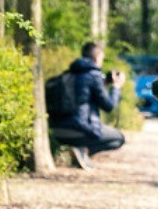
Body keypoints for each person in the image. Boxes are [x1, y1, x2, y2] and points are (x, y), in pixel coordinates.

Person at [50, 41, 127, 170]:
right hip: (80, 130)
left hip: (58, 130)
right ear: (96, 57)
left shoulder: (69, 74)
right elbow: (109, 106)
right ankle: (83, 150)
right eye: (102, 58)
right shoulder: (94, 76)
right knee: (119, 138)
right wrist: (116, 87)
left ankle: (77, 151)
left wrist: (103, 85)